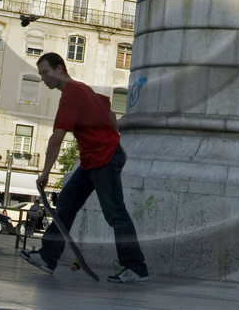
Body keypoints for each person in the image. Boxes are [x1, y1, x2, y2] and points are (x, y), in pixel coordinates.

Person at [19, 52, 149, 284]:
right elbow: (109, 112)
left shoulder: (71, 93)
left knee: (115, 214)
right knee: (66, 204)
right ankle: (48, 258)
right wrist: (113, 137)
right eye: (40, 75)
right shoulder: (83, 89)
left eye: (45, 73)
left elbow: (57, 138)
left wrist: (46, 172)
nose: (43, 79)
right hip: (94, 159)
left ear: (60, 69)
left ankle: (136, 267)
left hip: (104, 158)